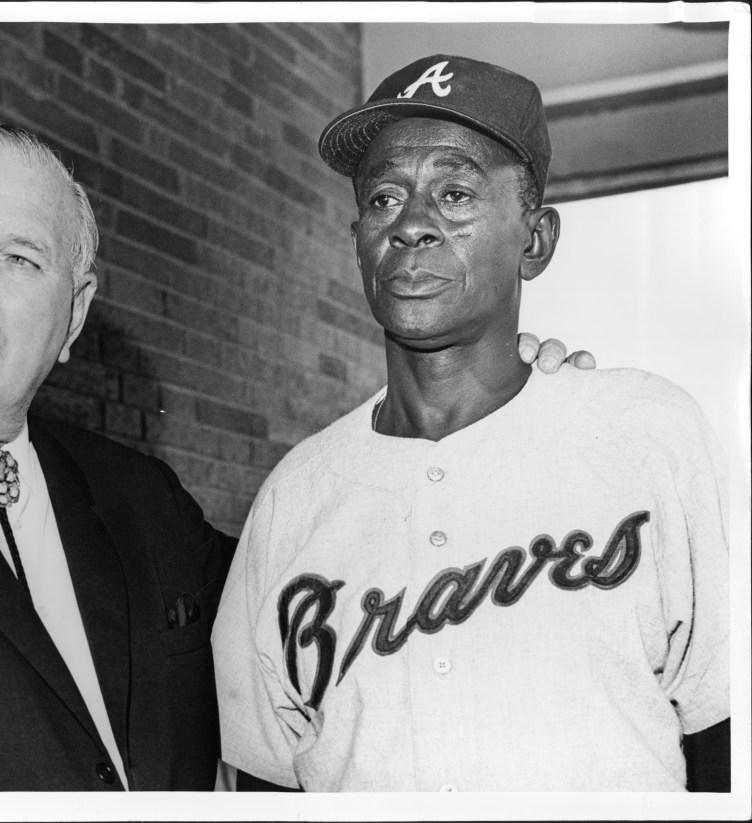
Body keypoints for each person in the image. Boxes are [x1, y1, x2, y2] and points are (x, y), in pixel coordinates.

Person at [0, 122, 584, 792]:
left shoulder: (138, 498)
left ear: (74, 316)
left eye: (20, 258)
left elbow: (341, 596)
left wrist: (498, 413)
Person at [211, 55, 730, 793]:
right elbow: (265, 781)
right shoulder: (293, 500)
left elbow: (727, 727)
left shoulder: (646, 434)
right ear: (357, 239)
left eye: (456, 192)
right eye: (385, 198)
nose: (413, 225)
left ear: (536, 239)